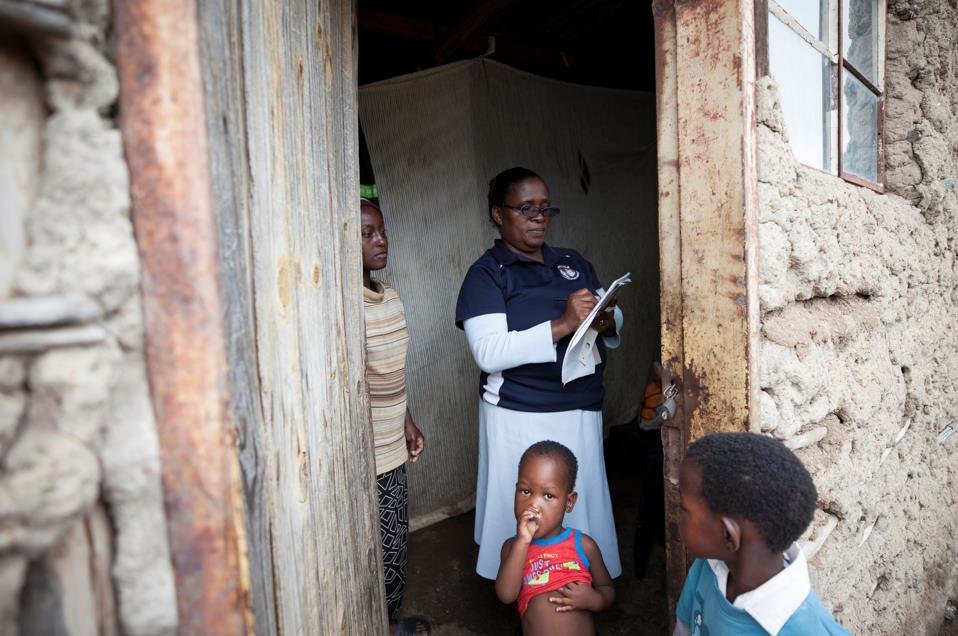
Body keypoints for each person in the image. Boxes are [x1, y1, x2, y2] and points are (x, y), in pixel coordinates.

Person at [455, 166, 624, 580]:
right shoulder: (488, 273)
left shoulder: (572, 261)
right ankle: (521, 587)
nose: (539, 217)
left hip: (580, 406)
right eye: (526, 208)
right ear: (498, 214)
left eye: (546, 208)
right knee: (528, 506)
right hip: (519, 412)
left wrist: (607, 319)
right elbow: (488, 352)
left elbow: (611, 313)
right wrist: (563, 324)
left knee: (575, 503)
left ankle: (581, 580)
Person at [675, 432, 849, 635]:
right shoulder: (708, 568)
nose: (677, 515)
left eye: (683, 509)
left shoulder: (807, 630)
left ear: (728, 536)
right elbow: (684, 628)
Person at [361, 198, 430, 635]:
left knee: (394, 545)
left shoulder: (390, 296)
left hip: (391, 443)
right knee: (367, 549)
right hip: (362, 453)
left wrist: (407, 420)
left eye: (382, 230)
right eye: (366, 233)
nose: (381, 240)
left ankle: (386, 622)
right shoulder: (342, 308)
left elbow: (389, 372)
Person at [495, 441, 614, 635]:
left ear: (569, 502)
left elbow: (607, 588)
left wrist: (595, 599)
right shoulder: (513, 547)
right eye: (525, 491)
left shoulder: (584, 545)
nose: (533, 504)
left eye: (548, 496)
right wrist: (523, 542)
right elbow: (506, 596)